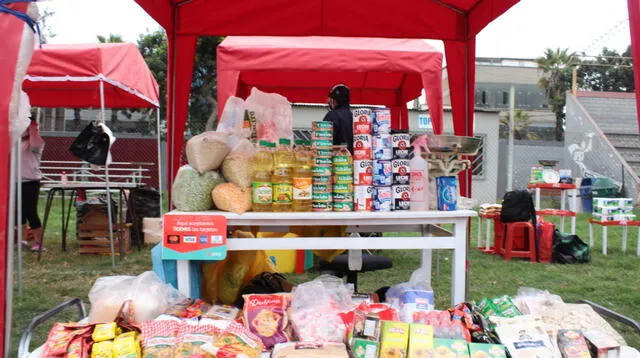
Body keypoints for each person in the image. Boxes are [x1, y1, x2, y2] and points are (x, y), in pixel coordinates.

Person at [21, 118, 45, 251]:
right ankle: (22, 240)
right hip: (15, 181)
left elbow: (35, 143)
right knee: (18, 213)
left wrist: (32, 127)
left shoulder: (36, 142)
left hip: (30, 181)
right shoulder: (17, 141)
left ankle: (39, 242)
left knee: (31, 212)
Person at [323, 84, 353, 153]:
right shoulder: (354, 116)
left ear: (335, 100)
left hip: (337, 159)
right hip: (353, 159)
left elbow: (323, 141)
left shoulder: (331, 115)